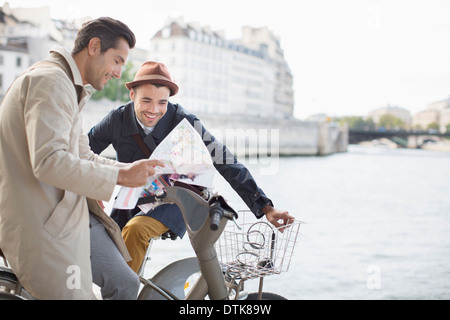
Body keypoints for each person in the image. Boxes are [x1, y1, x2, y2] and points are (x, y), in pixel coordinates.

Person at [0, 17, 163, 300]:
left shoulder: (65, 84)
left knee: (124, 281)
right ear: (94, 46)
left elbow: (83, 156)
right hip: (44, 221)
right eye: (116, 60)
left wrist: (129, 169)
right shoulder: (51, 83)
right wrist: (122, 176)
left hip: (64, 213)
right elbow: (50, 162)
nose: (118, 72)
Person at [88, 61, 295, 273]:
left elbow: (223, 159)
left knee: (135, 230)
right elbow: (82, 151)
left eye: (162, 103)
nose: (154, 110)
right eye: (146, 101)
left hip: (175, 201)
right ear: (132, 95)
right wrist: (90, 191)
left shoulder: (182, 120)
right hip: (133, 199)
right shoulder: (117, 119)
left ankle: (125, 292)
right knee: (100, 239)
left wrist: (265, 207)